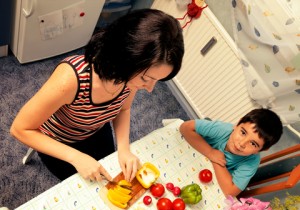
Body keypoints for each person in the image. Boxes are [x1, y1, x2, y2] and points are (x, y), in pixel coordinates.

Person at [10, 9, 184, 183]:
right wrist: (75, 157)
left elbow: (124, 109)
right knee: (89, 187)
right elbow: (20, 129)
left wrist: (124, 149)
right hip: (58, 139)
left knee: (112, 174)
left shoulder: (130, 78)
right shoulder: (71, 79)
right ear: (126, 57)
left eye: (156, 81)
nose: (150, 89)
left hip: (94, 129)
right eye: (146, 79)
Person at [179, 108, 283, 196]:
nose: (242, 143)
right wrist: (210, 152)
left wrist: (216, 159)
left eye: (253, 144)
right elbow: (185, 127)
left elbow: (230, 191)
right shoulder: (222, 129)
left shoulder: (252, 162)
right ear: (236, 125)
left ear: (261, 150)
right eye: (243, 132)